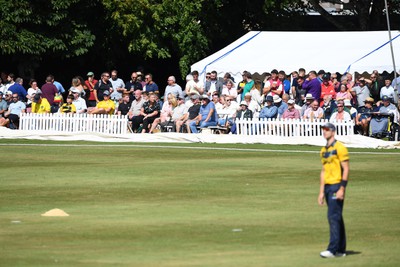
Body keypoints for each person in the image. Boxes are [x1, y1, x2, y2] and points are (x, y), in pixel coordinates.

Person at [319, 122, 349, 258]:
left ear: (333, 131)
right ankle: (341, 250)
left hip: (337, 185)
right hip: (327, 186)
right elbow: (323, 171)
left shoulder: (340, 148)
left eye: (327, 130)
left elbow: (346, 168)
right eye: (323, 130)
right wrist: (320, 191)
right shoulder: (323, 150)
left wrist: (342, 187)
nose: (324, 132)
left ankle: (332, 249)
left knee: (333, 216)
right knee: (337, 217)